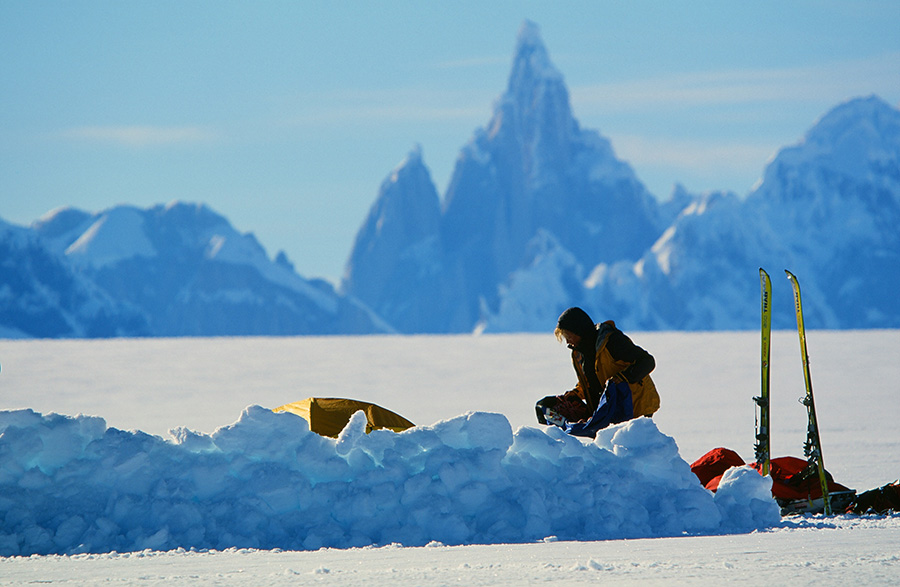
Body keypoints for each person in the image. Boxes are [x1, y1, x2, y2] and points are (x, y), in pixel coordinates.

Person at [536, 307, 660, 437]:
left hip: (636, 408)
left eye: (569, 336)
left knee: (629, 449)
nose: (567, 341)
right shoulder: (579, 353)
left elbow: (647, 362)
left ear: (579, 331)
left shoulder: (612, 342)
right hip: (612, 413)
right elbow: (592, 381)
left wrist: (623, 377)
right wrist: (575, 394)